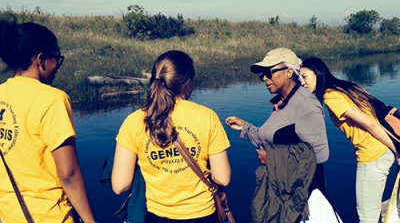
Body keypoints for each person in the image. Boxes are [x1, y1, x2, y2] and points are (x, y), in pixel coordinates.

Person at [111, 50, 231, 223]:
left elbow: (119, 185)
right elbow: (222, 178)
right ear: (187, 82)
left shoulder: (135, 121)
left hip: (157, 216)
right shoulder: (207, 117)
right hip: (202, 214)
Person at [0, 21, 96, 222]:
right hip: (50, 216)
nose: (58, 66)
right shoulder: (53, 99)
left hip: (10, 214)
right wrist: (89, 220)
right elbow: (69, 175)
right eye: (57, 59)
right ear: (41, 59)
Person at [300, 57, 395, 223]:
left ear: (317, 73)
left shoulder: (331, 96)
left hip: (372, 155)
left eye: (304, 76)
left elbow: (370, 124)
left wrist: (397, 149)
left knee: (367, 218)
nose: (302, 82)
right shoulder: (347, 87)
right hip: (383, 150)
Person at [225, 48, 329, 193]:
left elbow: (318, 154)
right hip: (282, 187)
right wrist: (245, 128)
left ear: (289, 72)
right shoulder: (281, 102)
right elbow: (272, 140)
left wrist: (273, 159)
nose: (265, 79)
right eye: (262, 76)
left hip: (303, 194)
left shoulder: (306, 103)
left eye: (269, 73)